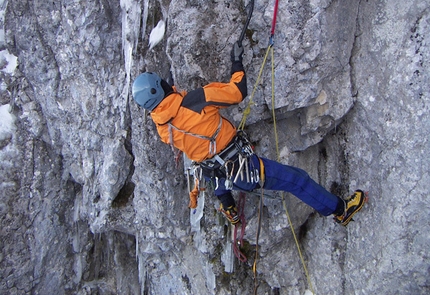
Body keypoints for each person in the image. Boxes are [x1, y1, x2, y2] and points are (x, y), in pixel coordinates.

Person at [132, 42, 367, 227]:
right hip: (243, 168)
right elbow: (237, 92)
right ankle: (340, 210)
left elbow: (187, 131)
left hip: (217, 171)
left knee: (208, 163)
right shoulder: (194, 100)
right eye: (163, 84)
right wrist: (237, 62)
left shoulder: (163, 129)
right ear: (161, 88)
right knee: (297, 179)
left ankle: (230, 209)